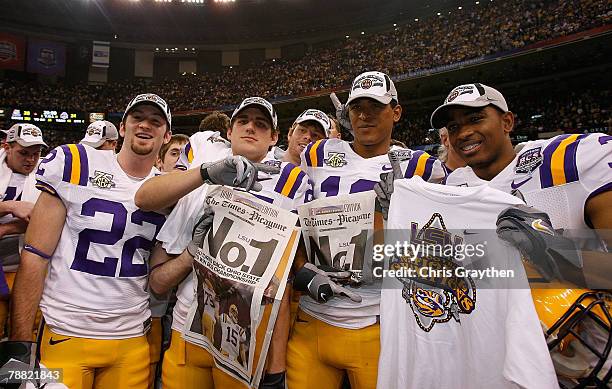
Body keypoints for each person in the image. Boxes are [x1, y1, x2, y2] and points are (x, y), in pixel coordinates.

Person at [430, 83, 612, 386]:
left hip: (587, 355)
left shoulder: (565, 162)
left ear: (507, 122)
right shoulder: (449, 190)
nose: (463, 133)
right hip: (499, 361)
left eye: (475, 119)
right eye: (454, 126)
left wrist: (555, 254)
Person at [138, 96, 310, 389]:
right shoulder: (202, 167)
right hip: (185, 329)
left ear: (274, 138)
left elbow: (282, 282)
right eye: (243, 121)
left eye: (261, 124)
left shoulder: (292, 180)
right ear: (229, 131)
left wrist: (276, 365)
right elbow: (145, 200)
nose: (250, 128)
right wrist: (193, 251)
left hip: (245, 337)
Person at [287, 71, 444, 389]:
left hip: (380, 321)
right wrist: (302, 270)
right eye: (357, 107)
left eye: (375, 106)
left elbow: (440, 247)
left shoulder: (420, 166)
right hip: (313, 313)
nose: (365, 114)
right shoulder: (317, 153)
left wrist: (396, 218)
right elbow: (293, 219)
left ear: (396, 112)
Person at [4, 93, 172, 389]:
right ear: (123, 127)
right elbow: (35, 255)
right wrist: (20, 344)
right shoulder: (76, 162)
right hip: (65, 333)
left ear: (166, 135)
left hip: (131, 339)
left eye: (155, 121)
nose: (145, 125)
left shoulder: (169, 191)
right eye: (137, 118)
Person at [0, 123, 46, 338]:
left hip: (25, 265)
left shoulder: (46, 172)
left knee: (27, 329)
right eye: (24, 153)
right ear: (6, 147)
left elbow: (46, 218)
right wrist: (10, 206)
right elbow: (24, 211)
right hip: (3, 263)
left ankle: (18, 372)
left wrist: (5, 228)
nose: (30, 160)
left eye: (35, 154)